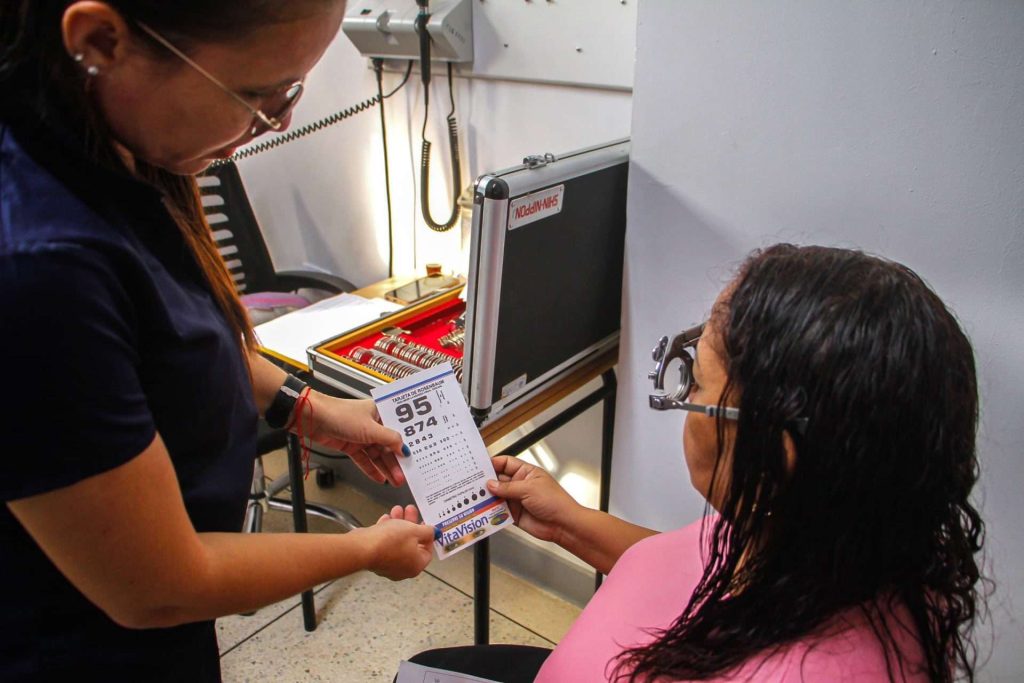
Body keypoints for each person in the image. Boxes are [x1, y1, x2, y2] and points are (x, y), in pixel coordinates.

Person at [0, 2, 435, 680]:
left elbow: (182, 326)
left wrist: (308, 408)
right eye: (259, 96)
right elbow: (159, 586)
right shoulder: (38, 267)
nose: (280, 121)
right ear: (101, 40)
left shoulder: (110, 136)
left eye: (294, 92)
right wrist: (365, 549)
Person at [407, 244, 986, 682]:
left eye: (698, 385)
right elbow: (697, 568)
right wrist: (565, 521)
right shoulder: (829, 539)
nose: (685, 405)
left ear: (778, 456)